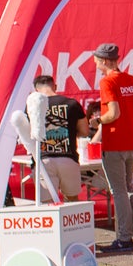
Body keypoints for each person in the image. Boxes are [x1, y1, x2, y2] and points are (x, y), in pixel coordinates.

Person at [93, 43, 133, 252]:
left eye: (97, 62)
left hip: (116, 142)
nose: (96, 66)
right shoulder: (131, 80)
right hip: (132, 141)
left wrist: (98, 121)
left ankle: (124, 238)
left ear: (105, 61)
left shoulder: (108, 81)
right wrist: (129, 119)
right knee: (128, 188)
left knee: (119, 191)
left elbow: (113, 113)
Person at [31, 75, 86, 204]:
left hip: (43, 160)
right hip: (68, 157)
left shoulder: (32, 108)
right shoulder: (72, 104)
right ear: (55, 86)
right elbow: (84, 131)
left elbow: (28, 133)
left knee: (47, 205)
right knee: (72, 203)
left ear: (36, 91)